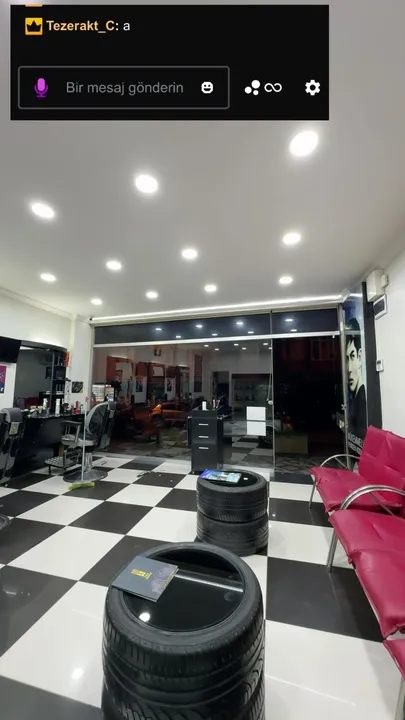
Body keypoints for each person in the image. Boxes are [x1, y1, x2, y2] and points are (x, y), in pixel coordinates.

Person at [346, 317, 367, 439]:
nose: (349, 369)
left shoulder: (362, 402)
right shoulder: (355, 400)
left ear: (360, 357)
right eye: (346, 359)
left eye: (352, 356)